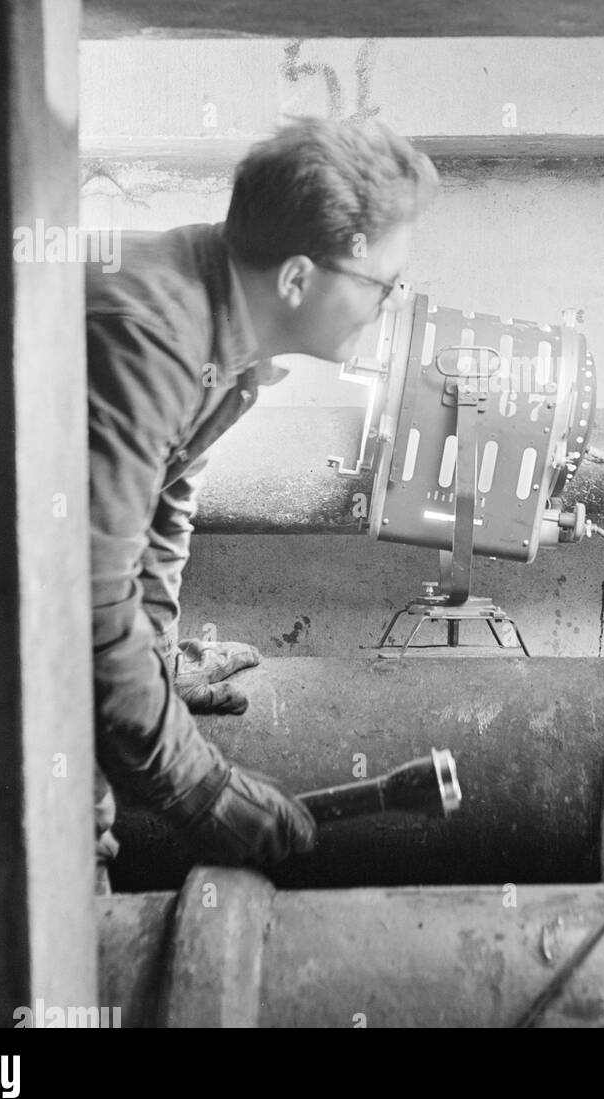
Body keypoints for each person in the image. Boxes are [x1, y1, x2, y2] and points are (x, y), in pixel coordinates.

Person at [87, 117, 435, 886]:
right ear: (298, 279)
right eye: (383, 285)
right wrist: (198, 787)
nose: (388, 304)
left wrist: (156, 667)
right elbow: (86, 603)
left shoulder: (225, 334)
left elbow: (158, 527)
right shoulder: (150, 339)